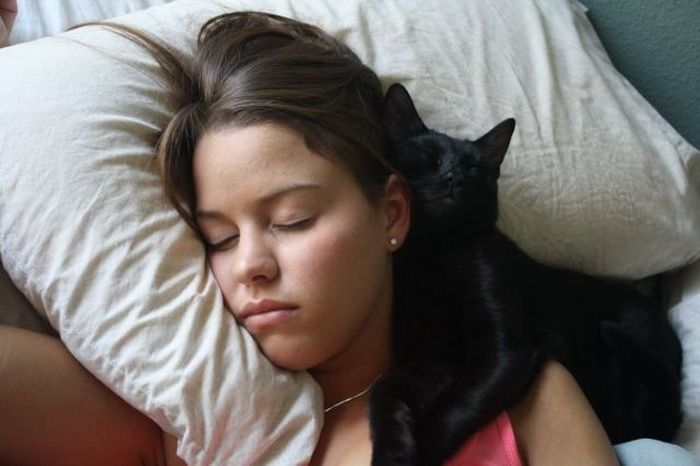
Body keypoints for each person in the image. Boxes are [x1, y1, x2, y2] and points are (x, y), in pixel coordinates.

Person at [2, 10, 684, 465]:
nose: (251, 265)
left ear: (391, 214)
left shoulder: (527, 401)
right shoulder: (182, 427)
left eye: (292, 219)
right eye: (218, 239)